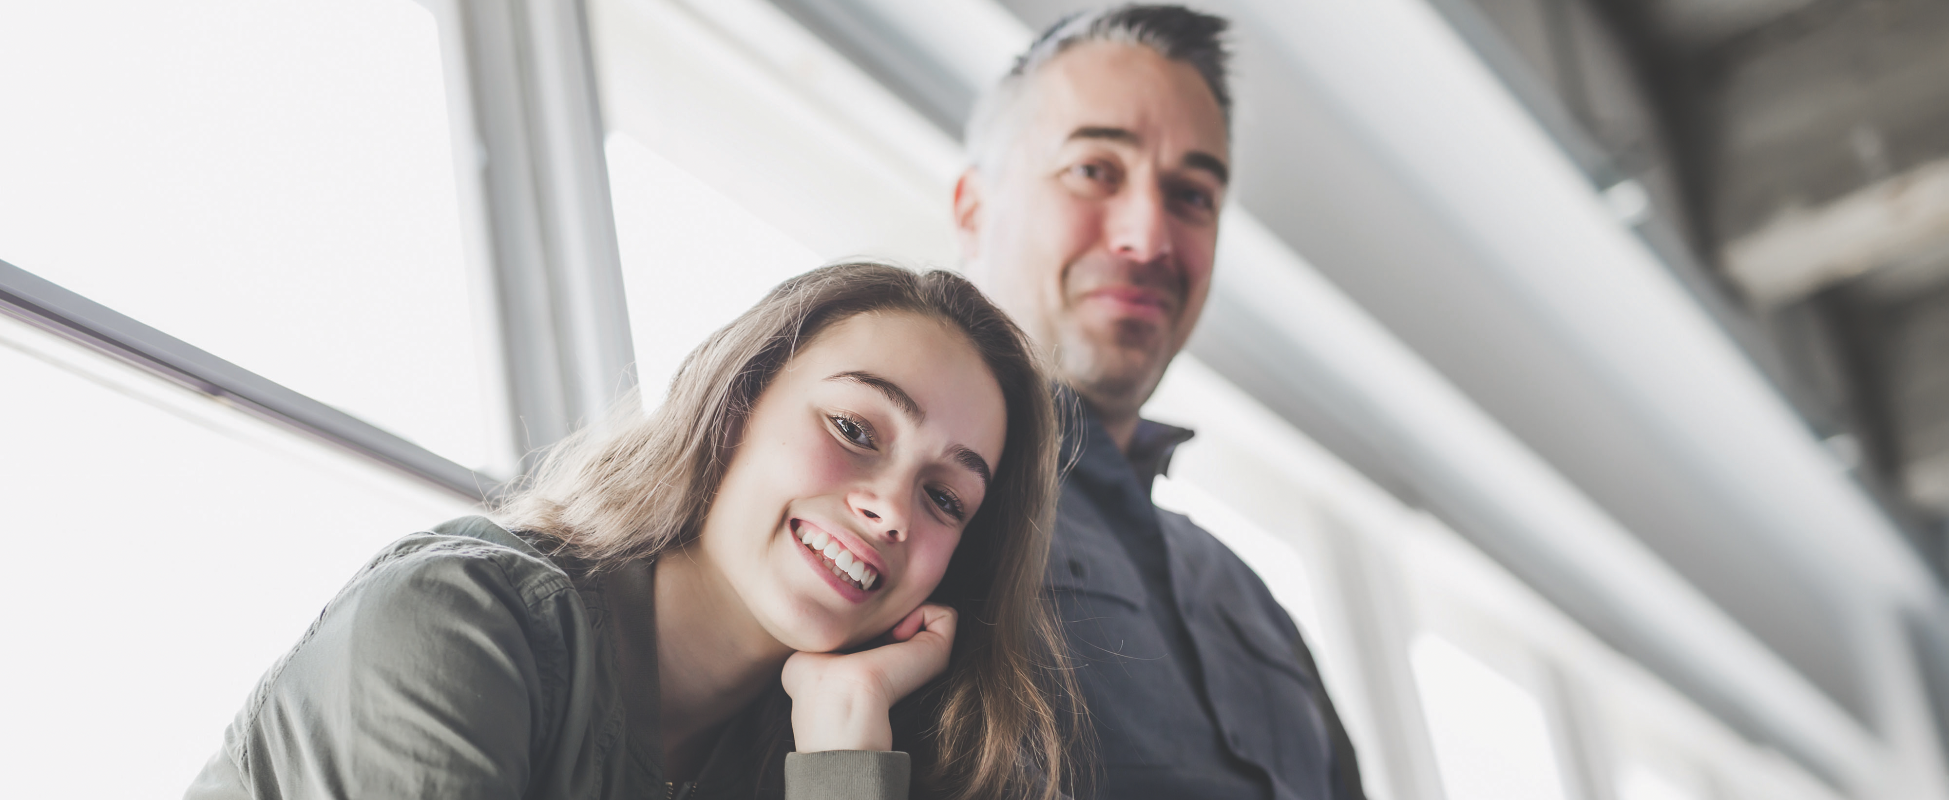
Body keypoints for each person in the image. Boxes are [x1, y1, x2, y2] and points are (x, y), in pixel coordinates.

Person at [185, 263, 1080, 800]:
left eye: (945, 499)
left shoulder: (815, 746)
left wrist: (846, 754)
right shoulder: (455, 625)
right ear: (732, 408)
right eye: (853, 430)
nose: (890, 508)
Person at [953, 6, 1366, 799]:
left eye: (1191, 195)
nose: (1148, 238)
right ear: (973, 208)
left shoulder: (1247, 600)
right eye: (1094, 170)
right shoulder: (905, 512)